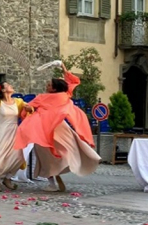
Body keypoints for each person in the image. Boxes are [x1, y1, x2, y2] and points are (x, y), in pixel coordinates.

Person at [14, 62, 100, 192]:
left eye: (49, 85)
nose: (46, 86)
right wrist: (63, 67)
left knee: (47, 156)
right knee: (66, 149)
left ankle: (53, 182)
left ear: (54, 89)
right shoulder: (64, 95)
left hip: (45, 129)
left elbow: (29, 107)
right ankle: (58, 174)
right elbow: (72, 82)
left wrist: (28, 109)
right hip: (57, 128)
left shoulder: (43, 97)